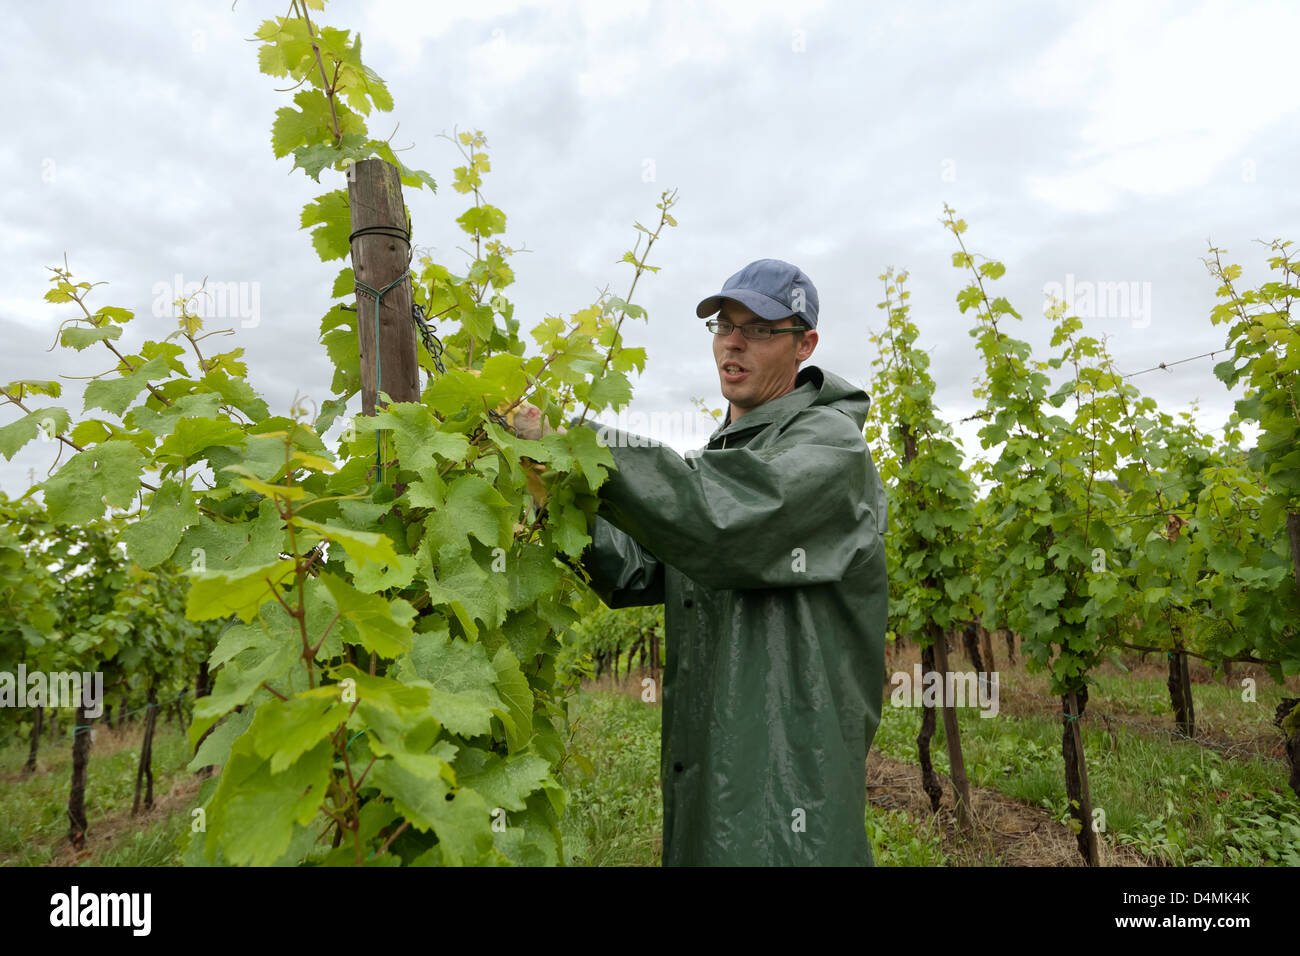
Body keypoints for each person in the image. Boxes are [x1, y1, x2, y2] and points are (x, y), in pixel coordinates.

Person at [519, 258, 889, 866]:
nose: (734, 342)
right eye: (723, 326)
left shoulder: (830, 449)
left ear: (806, 344)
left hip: (788, 784)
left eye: (762, 329)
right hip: (712, 775)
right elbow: (639, 569)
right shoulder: (721, 461)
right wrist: (551, 485)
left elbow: (721, 520)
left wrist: (572, 446)